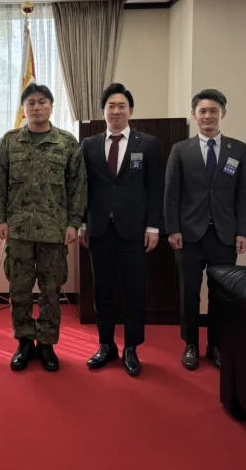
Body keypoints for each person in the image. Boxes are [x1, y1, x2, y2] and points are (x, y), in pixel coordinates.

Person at [0, 83, 87, 372]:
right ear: (24, 109)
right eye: (31, 102)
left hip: (53, 231)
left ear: (51, 107)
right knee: (19, 288)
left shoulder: (67, 142)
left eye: (42, 102)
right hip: (19, 231)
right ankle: (24, 341)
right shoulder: (10, 141)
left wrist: (74, 223)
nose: (37, 107)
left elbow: (78, 186)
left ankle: (46, 343)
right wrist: (0, 219)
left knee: (50, 290)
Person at [164, 89, 246, 371]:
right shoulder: (181, 150)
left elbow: (245, 196)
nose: (208, 116)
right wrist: (173, 229)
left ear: (222, 114)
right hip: (189, 235)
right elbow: (171, 195)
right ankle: (190, 343)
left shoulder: (238, 149)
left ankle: (216, 345)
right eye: (202, 111)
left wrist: (243, 232)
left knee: (221, 295)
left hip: (225, 236)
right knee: (189, 292)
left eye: (213, 111)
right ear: (194, 115)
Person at [79, 83, 163, 377]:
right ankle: (106, 345)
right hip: (100, 230)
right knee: (102, 291)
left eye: (121, 106)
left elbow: (155, 188)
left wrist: (153, 227)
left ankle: (131, 348)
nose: (116, 111)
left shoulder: (147, 143)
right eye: (111, 106)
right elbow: (83, 188)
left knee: (134, 292)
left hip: (134, 232)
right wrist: (83, 222)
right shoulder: (89, 145)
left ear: (131, 111)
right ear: (103, 111)